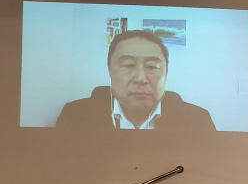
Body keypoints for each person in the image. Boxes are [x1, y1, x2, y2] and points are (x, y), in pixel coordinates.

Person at [56, 30, 216, 131]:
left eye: (152, 66)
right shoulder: (75, 116)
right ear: (110, 72)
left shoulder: (197, 121)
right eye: (128, 65)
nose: (141, 78)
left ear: (166, 73)